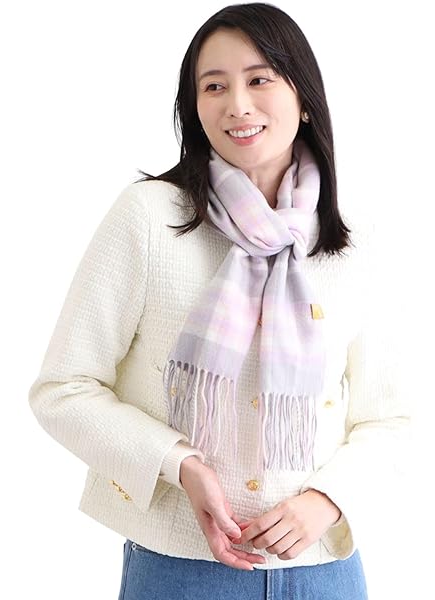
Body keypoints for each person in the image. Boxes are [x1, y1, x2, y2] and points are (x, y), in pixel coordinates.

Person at [28, 3, 410, 599]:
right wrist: (179, 464)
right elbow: (63, 388)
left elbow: (390, 417)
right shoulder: (149, 218)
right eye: (214, 86)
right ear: (195, 107)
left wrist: (327, 500)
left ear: (304, 98)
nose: (238, 104)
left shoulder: (351, 242)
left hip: (324, 575)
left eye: (260, 79)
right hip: (180, 569)